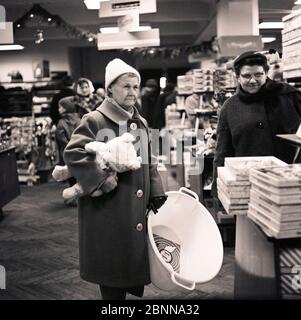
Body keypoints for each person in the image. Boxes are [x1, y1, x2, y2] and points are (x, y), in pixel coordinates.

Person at [63, 58, 167, 300]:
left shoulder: (139, 121)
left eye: (135, 87)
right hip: (107, 209)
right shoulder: (95, 120)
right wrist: (100, 179)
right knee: (111, 268)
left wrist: (156, 189)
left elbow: (148, 159)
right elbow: (73, 153)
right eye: (126, 87)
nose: (132, 92)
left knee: (128, 260)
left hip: (134, 207)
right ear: (110, 88)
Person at [212, 51, 301, 197]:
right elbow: (222, 151)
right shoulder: (230, 107)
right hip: (247, 187)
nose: (252, 80)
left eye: (258, 75)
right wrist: (219, 190)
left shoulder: (289, 96)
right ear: (237, 77)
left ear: (266, 73)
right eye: (247, 76)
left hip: (290, 184)